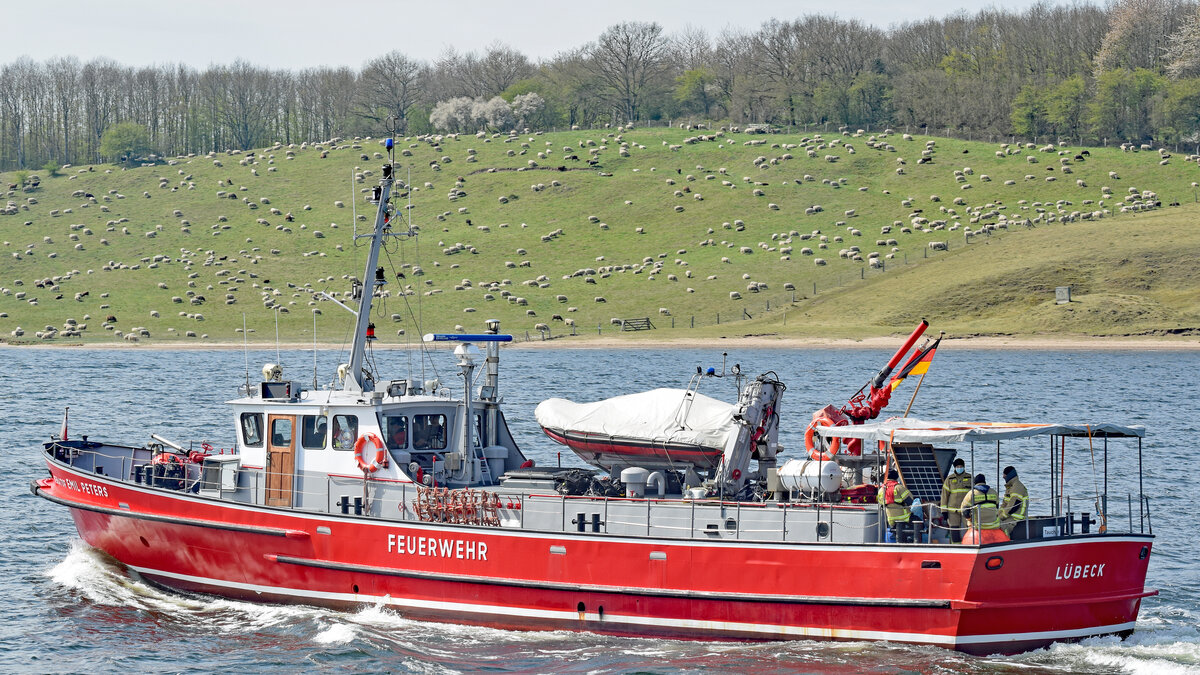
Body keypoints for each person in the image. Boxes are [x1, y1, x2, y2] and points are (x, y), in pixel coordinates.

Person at [960, 474, 1004, 543]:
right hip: (994, 526)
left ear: (975, 483)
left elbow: (964, 511)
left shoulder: (972, 493)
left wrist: (969, 520)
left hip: (978, 527)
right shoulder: (994, 492)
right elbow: (997, 507)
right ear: (985, 482)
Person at [877, 469, 917, 542]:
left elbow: (881, 503)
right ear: (896, 477)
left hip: (891, 519)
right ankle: (913, 541)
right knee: (919, 524)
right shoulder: (899, 488)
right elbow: (910, 501)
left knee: (898, 534)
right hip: (905, 517)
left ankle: (898, 537)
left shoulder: (881, 490)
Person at [940, 458, 972, 543]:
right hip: (952, 511)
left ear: (964, 467)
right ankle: (955, 546)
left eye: (961, 466)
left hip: (967, 510)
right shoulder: (949, 479)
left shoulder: (970, 478)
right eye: (958, 466)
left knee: (968, 529)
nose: (959, 468)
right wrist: (944, 511)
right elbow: (944, 496)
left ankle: (968, 544)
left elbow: (974, 493)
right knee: (954, 531)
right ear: (954, 467)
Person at [999, 465, 1029, 537]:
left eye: (1004, 475)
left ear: (1009, 475)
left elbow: (1014, 506)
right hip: (1009, 516)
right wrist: (997, 515)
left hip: (1016, 518)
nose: (1003, 477)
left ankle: (1005, 542)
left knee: (1000, 528)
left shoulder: (1017, 487)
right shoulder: (1010, 487)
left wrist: (1001, 517)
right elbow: (1004, 504)